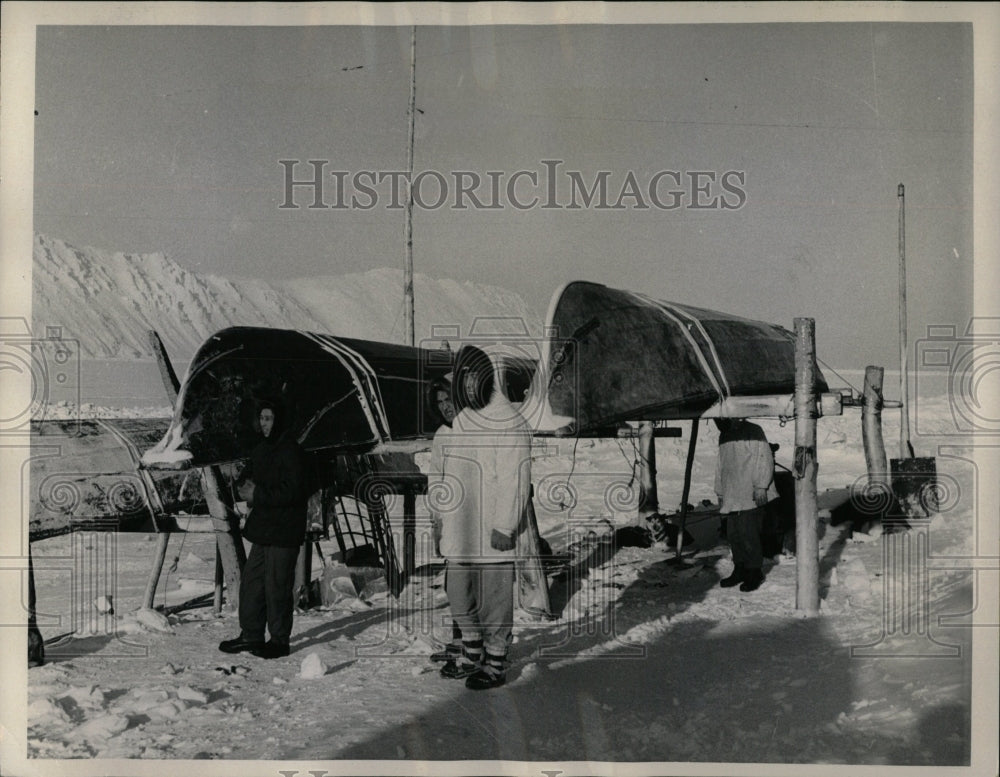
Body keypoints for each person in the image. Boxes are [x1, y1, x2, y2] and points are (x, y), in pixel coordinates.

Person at [436, 345, 532, 690]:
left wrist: (505, 525)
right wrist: (443, 521)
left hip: (493, 530)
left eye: (475, 375)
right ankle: (472, 651)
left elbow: (516, 477)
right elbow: (450, 476)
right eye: (464, 377)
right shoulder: (462, 420)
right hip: (461, 528)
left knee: (494, 600)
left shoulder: (508, 420)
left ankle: (495, 660)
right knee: (459, 594)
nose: (470, 383)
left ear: (487, 377)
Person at [219, 399, 307, 659]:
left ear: (279, 420)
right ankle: (251, 635)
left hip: (284, 531)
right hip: (264, 529)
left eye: (268, 418)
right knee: (253, 584)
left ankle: (279, 641)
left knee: (277, 587)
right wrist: (241, 482)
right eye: (262, 418)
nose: (264, 424)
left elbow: (294, 491)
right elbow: (252, 482)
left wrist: (258, 493)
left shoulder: (292, 451)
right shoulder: (261, 449)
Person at [426, 377, 465, 671]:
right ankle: (458, 639)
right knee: (454, 583)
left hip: (472, 520)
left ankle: (472, 643)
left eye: (447, 400)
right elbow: (436, 479)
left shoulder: (471, 430)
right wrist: (436, 519)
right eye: (439, 403)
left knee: (470, 584)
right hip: (450, 520)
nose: (445, 407)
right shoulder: (441, 436)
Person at [714, 417, 778, 592]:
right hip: (732, 493)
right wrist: (720, 490)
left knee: (749, 534)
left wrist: (761, 486)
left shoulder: (753, 431)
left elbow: (763, 458)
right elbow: (721, 465)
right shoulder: (724, 436)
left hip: (751, 491)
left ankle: (754, 571)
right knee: (734, 535)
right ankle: (740, 569)